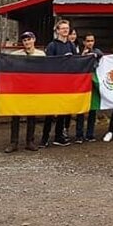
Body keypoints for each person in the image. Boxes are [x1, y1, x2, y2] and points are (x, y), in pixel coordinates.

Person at [40, 19, 78, 147]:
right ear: (57, 30)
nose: (65, 30)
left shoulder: (71, 45)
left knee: (63, 111)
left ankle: (58, 136)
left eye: (67, 28)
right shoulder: (52, 45)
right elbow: (49, 63)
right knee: (50, 112)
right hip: (54, 83)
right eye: (63, 28)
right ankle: (44, 138)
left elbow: (75, 62)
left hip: (66, 83)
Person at [5, 31, 44, 153]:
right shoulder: (15, 54)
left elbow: (44, 71)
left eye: (29, 39)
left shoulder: (41, 55)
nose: (27, 42)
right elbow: (8, 67)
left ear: (34, 40)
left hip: (33, 90)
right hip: (18, 90)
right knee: (15, 116)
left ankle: (30, 141)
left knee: (31, 116)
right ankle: (14, 142)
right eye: (24, 40)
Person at [74, 32, 103, 144]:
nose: (90, 43)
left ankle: (90, 134)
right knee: (81, 110)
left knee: (93, 110)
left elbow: (103, 57)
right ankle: (79, 134)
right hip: (82, 84)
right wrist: (83, 56)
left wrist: (94, 55)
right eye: (88, 41)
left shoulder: (97, 52)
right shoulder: (80, 53)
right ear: (84, 42)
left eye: (92, 41)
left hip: (93, 84)